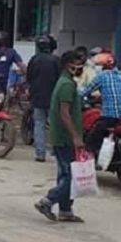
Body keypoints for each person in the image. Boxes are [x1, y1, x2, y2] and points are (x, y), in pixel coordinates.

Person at [35, 51, 87, 224]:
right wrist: (76, 137)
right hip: (65, 137)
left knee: (65, 174)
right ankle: (48, 201)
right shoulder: (67, 85)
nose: (81, 67)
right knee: (70, 176)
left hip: (62, 136)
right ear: (68, 65)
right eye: (77, 64)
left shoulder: (66, 82)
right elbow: (64, 113)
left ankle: (65, 210)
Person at [81, 53, 121, 160]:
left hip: (110, 117)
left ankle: (91, 158)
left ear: (101, 66)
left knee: (92, 138)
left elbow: (85, 92)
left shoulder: (101, 76)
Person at [26, 35, 61, 162]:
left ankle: (40, 154)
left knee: (39, 124)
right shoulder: (56, 60)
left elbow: (29, 78)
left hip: (37, 97)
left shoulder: (34, 60)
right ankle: (56, 151)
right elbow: (60, 79)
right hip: (54, 97)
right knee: (54, 124)